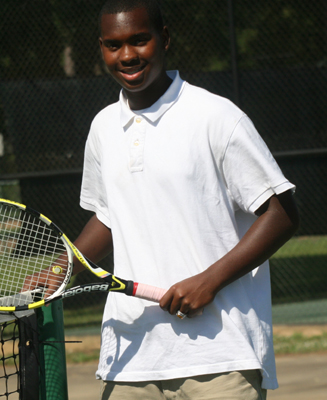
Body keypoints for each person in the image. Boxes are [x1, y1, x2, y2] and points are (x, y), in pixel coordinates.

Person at [30, 0, 299, 398]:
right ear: (102, 48)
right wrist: (63, 267)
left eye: (140, 40)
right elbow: (109, 217)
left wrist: (209, 281)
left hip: (220, 357)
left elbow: (282, 214)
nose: (127, 55)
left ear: (165, 38)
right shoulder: (103, 127)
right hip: (131, 356)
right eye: (113, 45)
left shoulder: (216, 117)